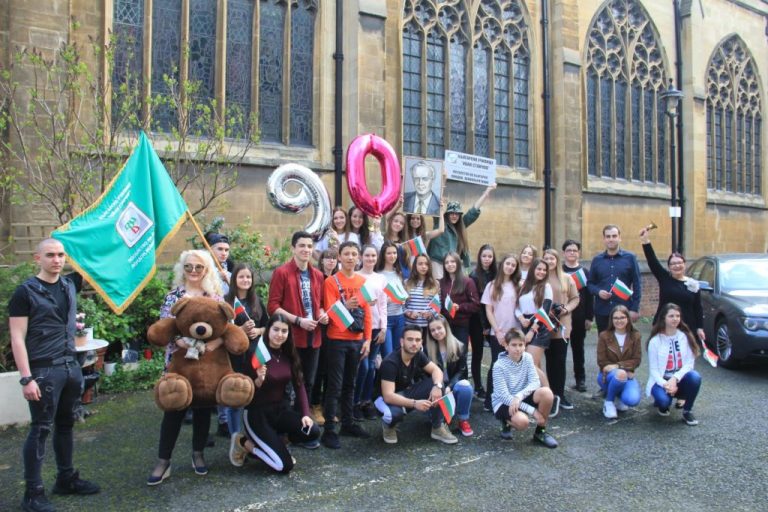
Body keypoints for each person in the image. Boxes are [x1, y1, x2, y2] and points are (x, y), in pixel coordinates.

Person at [9, 238, 100, 511]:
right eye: (50, 255)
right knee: (40, 429)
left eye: (61, 255)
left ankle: (66, 478)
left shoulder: (69, 284)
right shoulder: (25, 292)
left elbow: (96, 259)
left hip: (71, 365)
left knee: (66, 424)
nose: (57, 260)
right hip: (44, 369)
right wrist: (26, 378)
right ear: (37, 258)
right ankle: (32, 494)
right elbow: (17, 337)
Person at [147, 249, 223, 486]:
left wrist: (214, 344)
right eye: (188, 266)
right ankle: (163, 460)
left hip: (205, 364)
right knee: (173, 409)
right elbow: (164, 326)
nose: (193, 271)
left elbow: (225, 328)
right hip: (178, 362)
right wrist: (179, 340)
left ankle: (198, 453)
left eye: (199, 267)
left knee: (202, 409)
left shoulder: (214, 297)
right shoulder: (174, 296)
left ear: (207, 270)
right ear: (182, 268)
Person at [229, 314, 321, 473]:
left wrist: (306, 414)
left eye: (284, 331)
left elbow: (299, 386)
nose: (280, 334)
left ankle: (278, 443)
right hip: (257, 415)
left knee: (312, 431)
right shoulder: (256, 353)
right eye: (276, 329)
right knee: (283, 466)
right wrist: (258, 380)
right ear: (268, 330)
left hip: (280, 412)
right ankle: (243, 442)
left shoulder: (289, 354)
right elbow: (245, 391)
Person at [268, 231, 328, 414]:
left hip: (314, 337)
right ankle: (285, 420)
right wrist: (298, 321)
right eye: (302, 245)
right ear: (293, 248)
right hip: (291, 337)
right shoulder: (282, 272)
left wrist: (323, 314)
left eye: (309, 246)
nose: (306, 249)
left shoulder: (318, 275)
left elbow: (322, 304)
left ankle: (303, 418)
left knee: (308, 382)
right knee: (288, 383)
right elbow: (273, 307)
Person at [321, 241, 373, 448]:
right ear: (339, 257)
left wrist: (367, 339)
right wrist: (344, 305)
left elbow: (367, 312)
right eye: (347, 254)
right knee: (334, 385)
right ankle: (329, 430)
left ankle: (348, 423)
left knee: (351, 383)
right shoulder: (331, 282)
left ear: (358, 257)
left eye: (354, 254)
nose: (350, 257)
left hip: (356, 340)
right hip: (337, 339)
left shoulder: (362, 281)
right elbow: (329, 311)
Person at [374, 324, 458, 445]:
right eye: (410, 339)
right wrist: (415, 403)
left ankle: (437, 428)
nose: (414, 343)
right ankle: (388, 426)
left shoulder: (418, 354)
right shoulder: (390, 363)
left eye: (417, 340)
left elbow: (436, 370)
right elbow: (388, 396)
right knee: (393, 415)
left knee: (438, 383)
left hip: (404, 393)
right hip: (383, 399)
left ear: (421, 342)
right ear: (402, 342)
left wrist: (437, 386)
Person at [491, 329, 558, 448]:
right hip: (504, 402)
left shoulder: (527, 357)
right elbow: (504, 396)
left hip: (520, 397)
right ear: (506, 346)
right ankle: (505, 421)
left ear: (525, 345)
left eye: (520, 345)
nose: (518, 349)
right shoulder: (498, 366)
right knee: (523, 422)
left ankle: (540, 432)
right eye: (514, 345)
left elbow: (535, 382)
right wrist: (533, 411)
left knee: (547, 393)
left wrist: (519, 396)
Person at [224, 264, 268, 435]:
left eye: (248, 277)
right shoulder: (226, 302)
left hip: (254, 355)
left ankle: (253, 433)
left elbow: (267, 326)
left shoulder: (257, 301)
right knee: (236, 397)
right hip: (234, 356)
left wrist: (258, 331)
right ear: (234, 279)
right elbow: (221, 330)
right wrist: (240, 330)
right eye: (241, 276)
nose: (245, 280)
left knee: (255, 396)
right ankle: (235, 436)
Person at [639, 227, 705, 341]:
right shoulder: (664, 278)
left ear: (685, 265)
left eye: (679, 263)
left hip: (687, 327)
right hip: (664, 325)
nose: (677, 265)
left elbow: (698, 308)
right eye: (673, 264)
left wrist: (700, 328)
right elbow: (652, 261)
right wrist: (645, 241)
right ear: (669, 267)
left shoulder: (693, 284)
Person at [646, 303, 702, 426]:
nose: (675, 319)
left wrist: (675, 378)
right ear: (663, 318)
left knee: (695, 377)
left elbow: (689, 364)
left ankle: (687, 411)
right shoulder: (655, 341)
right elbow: (653, 370)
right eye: (671, 316)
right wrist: (666, 384)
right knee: (663, 402)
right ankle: (662, 402)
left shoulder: (685, 337)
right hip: (661, 381)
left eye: (678, 316)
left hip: (679, 378)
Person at [426, 183, 496, 278]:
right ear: (447, 214)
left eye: (457, 214)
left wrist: (486, 192)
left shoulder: (461, 226)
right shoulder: (440, 222)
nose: (454, 216)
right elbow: (436, 205)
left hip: (452, 265)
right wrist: (441, 184)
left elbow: (473, 211)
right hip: (437, 263)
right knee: (439, 285)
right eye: (451, 213)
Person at [482, 253, 522, 412]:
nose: (510, 267)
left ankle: (509, 400)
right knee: (496, 366)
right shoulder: (492, 285)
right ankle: (490, 400)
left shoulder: (519, 286)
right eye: (507, 264)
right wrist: (497, 331)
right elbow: (488, 310)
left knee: (513, 367)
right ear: (502, 265)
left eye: (513, 265)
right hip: (498, 333)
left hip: (515, 334)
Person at [542, 248, 579, 414]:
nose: (549, 261)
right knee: (548, 361)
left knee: (559, 361)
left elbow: (575, 298)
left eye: (552, 258)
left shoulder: (566, 278)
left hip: (562, 325)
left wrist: (566, 309)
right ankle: (549, 394)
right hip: (544, 324)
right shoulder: (539, 277)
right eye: (546, 258)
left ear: (557, 260)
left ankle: (560, 394)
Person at [353, 245, 388, 421]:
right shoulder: (355, 276)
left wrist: (384, 328)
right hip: (360, 328)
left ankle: (366, 402)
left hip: (376, 327)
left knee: (372, 367)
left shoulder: (380, 278)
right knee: (363, 366)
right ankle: (355, 402)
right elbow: (351, 301)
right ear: (361, 257)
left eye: (373, 255)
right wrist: (364, 302)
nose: (370, 258)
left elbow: (383, 305)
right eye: (367, 255)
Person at [426, 315, 474, 436]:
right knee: (439, 420)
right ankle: (439, 419)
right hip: (436, 388)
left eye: (439, 328)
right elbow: (424, 375)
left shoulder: (459, 346)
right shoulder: (426, 350)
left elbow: (462, 371)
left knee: (465, 386)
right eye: (432, 330)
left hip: (452, 386)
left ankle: (463, 420)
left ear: (446, 328)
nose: (436, 332)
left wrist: (449, 387)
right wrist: (439, 387)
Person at [587, 225, 642, 332]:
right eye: (608, 236)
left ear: (619, 238)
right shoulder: (597, 260)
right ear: (604, 239)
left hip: (624, 310)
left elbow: (637, 284)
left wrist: (634, 308)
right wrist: (598, 292)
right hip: (602, 310)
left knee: (624, 341)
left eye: (614, 236)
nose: (611, 239)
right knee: (604, 341)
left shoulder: (630, 258)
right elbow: (590, 284)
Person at [596, 305, 642, 419]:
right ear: (611, 320)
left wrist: (617, 366)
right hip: (607, 376)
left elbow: (636, 360)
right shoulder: (604, 336)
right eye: (615, 318)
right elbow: (602, 361)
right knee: (621, 374)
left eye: (622, 317)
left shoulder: (635, 335)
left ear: (628, 319)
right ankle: (609, 402)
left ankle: (618, 397)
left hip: (627, 375)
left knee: (632, 400)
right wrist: (623, 370)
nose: (619, 321)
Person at [310, 248, 338, 425]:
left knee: (332, 370)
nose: (331, 261)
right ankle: (315, 405)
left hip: (338, 328)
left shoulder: (338, 278)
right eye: (328, 258)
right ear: (321, 260)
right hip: (321, 328)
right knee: (320, 369)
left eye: (334, 258)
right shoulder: (317, 278)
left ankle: (329, 407)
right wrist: (320, 311)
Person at [562, 239, 593, 392]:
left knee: (578, 350)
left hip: (579, 317)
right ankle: (559, 381)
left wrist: (589, 317)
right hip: (561, 318)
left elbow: (589, 296)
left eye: (575, 250)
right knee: (560, 351)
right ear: (564, 253)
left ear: (579, 253)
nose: (572, 253)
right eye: (569, 250)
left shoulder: (585, 272)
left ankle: (580, 380)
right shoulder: (559, 270)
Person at [514, 259, 553, 381]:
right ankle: (537, 391)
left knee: (530, 364)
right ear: (532, 269)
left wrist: (532, 330)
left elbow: (545, 310)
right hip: (525, 324)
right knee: (535, 365)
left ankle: (547, 391)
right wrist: (521, 319)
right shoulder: (523, 286)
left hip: (540, 326)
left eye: (544, 270)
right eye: (539, 269)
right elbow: (517, 307)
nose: (542, 272)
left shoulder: (546, 287)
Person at [468, 244, 497, 398]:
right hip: (477, 321)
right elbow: (477, 303)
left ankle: (496, 385)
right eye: (484, 256)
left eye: (490, 256)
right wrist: (484, 326)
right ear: (479, 257)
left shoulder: (497, 274)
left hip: (495, 319)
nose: (487, 259)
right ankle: (478, 386)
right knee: (477, 354)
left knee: (497, 354)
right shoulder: (474, 275)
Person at [438, 251, 480, 346]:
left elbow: (476, 305)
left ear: (458, 263)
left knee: (460, 353)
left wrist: (460, 307)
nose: (450, 264)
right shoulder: (441, 282)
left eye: (452, 261)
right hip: (444, 324)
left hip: (461, 325)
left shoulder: (468, 282)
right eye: (447, 262)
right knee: (447, 353)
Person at [376, 241, 406, 357]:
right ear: (383, 255)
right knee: (388, 355)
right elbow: (374, 299)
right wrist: (388, 299)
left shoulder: (399, 273)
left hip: (400, 317)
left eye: (394, 253)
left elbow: (401, 292)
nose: (392, 256)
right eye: (389, 253)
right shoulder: (378, 274)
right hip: (385, 319)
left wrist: (403, 299)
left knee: (399, 353)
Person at [403, 254, 439, 332]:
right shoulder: (406, 283)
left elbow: (438, 305)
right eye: (420, 264)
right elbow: (402, 305)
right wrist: (409, 313)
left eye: (426, 264)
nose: (423, 266)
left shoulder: (435, 283)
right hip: (410, 326)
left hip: (429, 326)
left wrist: (430, 313)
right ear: (415, 265)